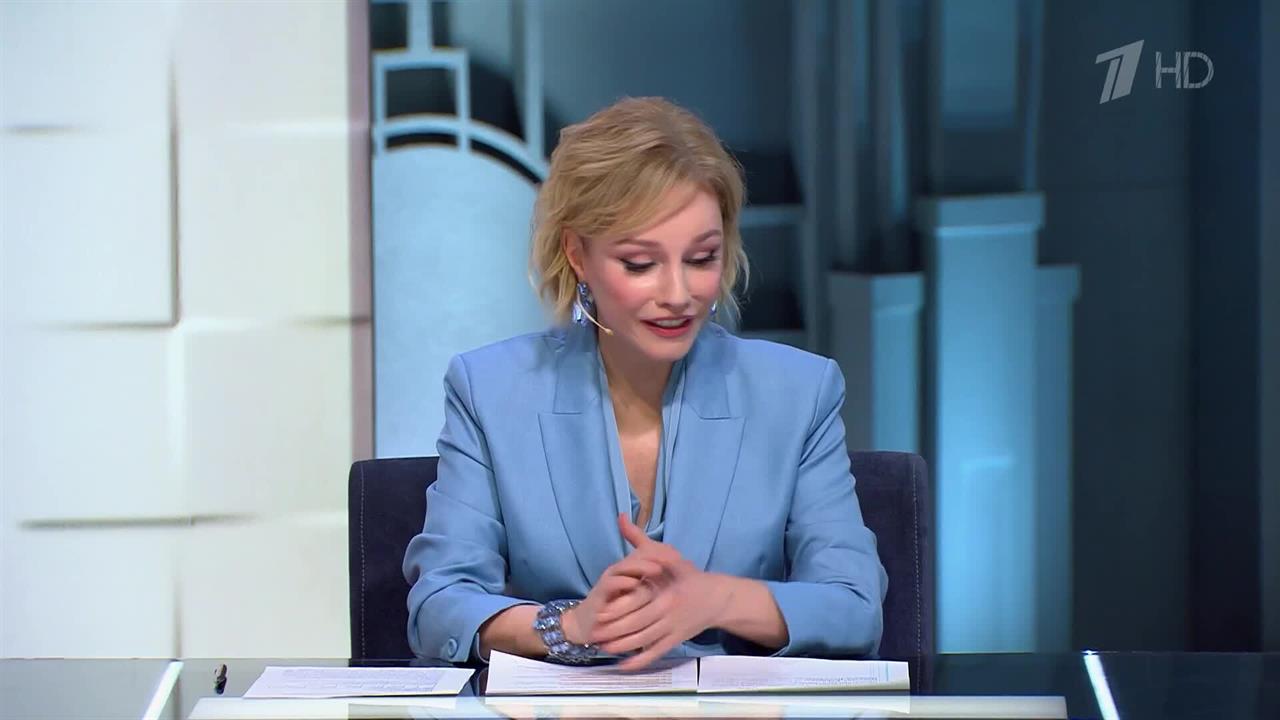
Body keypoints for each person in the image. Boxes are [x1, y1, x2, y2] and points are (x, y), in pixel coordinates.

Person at [403, 97, 886, 669]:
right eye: (640, 264)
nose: (678, 294)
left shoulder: (799, 393)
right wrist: (569, 627)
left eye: (701, 258)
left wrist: (717, 600)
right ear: (577, 254)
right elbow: (439, 606)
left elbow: (854, 606)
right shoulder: (489, 390)